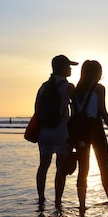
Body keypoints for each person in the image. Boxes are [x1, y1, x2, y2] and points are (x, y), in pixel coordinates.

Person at [72, 60, 108, 212]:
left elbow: (74, 114)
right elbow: (102, 110)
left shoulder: (76, 90)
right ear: (96, 73)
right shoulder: (99, 89)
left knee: (83, 169)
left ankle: (82, 206)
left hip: (80, 131)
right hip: (95, 129)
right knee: (104, 167)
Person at [36, 55, 78, 207]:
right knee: (60, 169)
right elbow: (75, 109)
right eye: (68, 66)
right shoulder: (68, 87)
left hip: (44, 131)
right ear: (61, 68)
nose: (71, 69)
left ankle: (41, 198)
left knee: (43, 166)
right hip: (61, 131)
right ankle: (58, 202)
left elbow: (37, 109)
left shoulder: (43, 86)